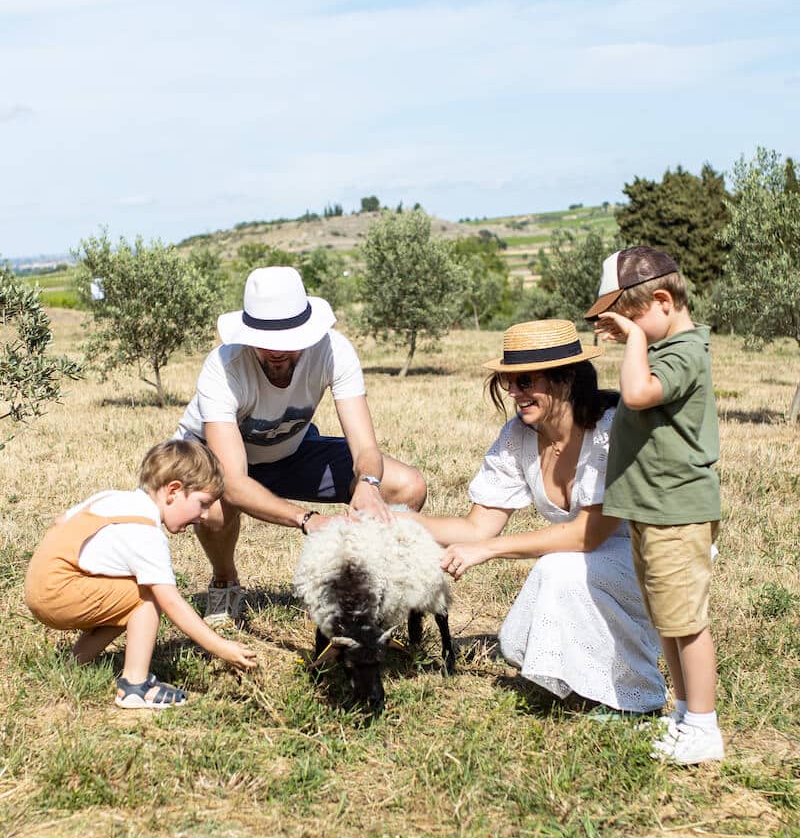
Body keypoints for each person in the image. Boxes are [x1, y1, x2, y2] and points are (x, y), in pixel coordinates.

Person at [416, 319, 666, 716]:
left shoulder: (609, 430)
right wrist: (396, 520)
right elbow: (477, 526)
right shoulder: (519, 436)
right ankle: (589, 685)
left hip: (656, 555)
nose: (514, 392)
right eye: (507, 381)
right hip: (588, 559)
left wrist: (488, 551)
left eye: (525, 380)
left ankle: (636, 698)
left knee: (558, 571)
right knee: (534, 615)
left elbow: (589, 535)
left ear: (565, 379)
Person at [174, 266, 426, 622]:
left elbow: (365, 448)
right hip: (218, 464)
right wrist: (306, 519)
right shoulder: (223, 367)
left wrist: (368, 484)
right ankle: (224, 582)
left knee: (407, 486)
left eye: (288, 341)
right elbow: (231, 480)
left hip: (290, 452)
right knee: (213, 508)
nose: (277, 351)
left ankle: (373, 594)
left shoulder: (334, 351)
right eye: (266, 341)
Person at [586, 245, 723, 764]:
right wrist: (640, 336)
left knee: (687, 623)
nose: (623, 330)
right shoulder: (665, 349)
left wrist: (637, 340)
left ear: (662, 301)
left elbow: (640, 393)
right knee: (668, 619)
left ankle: (705, 729)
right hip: (652, 510)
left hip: (677, 512)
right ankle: (685, 713)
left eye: (630, 316)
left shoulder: (684, 351)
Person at [24, 440, 257, 709]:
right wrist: (220, 647)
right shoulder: (146, 533)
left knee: (127, 593)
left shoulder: (114, 498)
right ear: (173, 491)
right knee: (146, 595)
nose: (204, 516)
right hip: (57, 592)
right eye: (203, 503)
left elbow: (60, 521)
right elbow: (172, 603)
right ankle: (134, 686)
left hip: (40, 584)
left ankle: (75, 663)